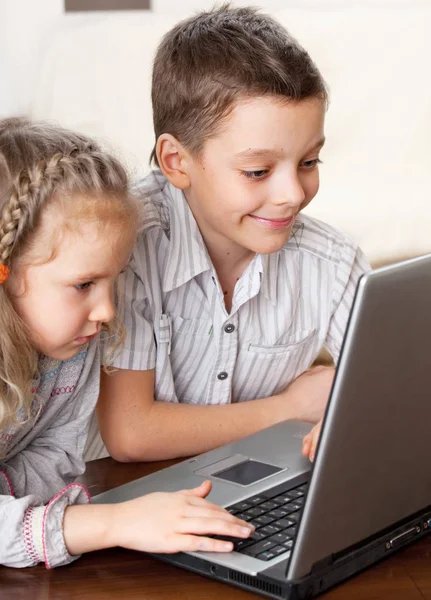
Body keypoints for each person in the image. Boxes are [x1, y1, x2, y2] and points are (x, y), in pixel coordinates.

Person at [92, 5, 370, 463]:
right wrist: (291, 409)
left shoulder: (331, 262)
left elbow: (402, 383)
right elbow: (131, 432)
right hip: (126, 498)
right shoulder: (126, 249)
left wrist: (356, 413)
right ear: (177, 162)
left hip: (253, 490)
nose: (292, 194)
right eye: (258, 170)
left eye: (308, 162)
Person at [0, 117, 253, 569]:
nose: (106, 311)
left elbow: (54, 455)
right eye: (83, 285)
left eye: (112, 281)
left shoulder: (71, 349)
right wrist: (115, 523)